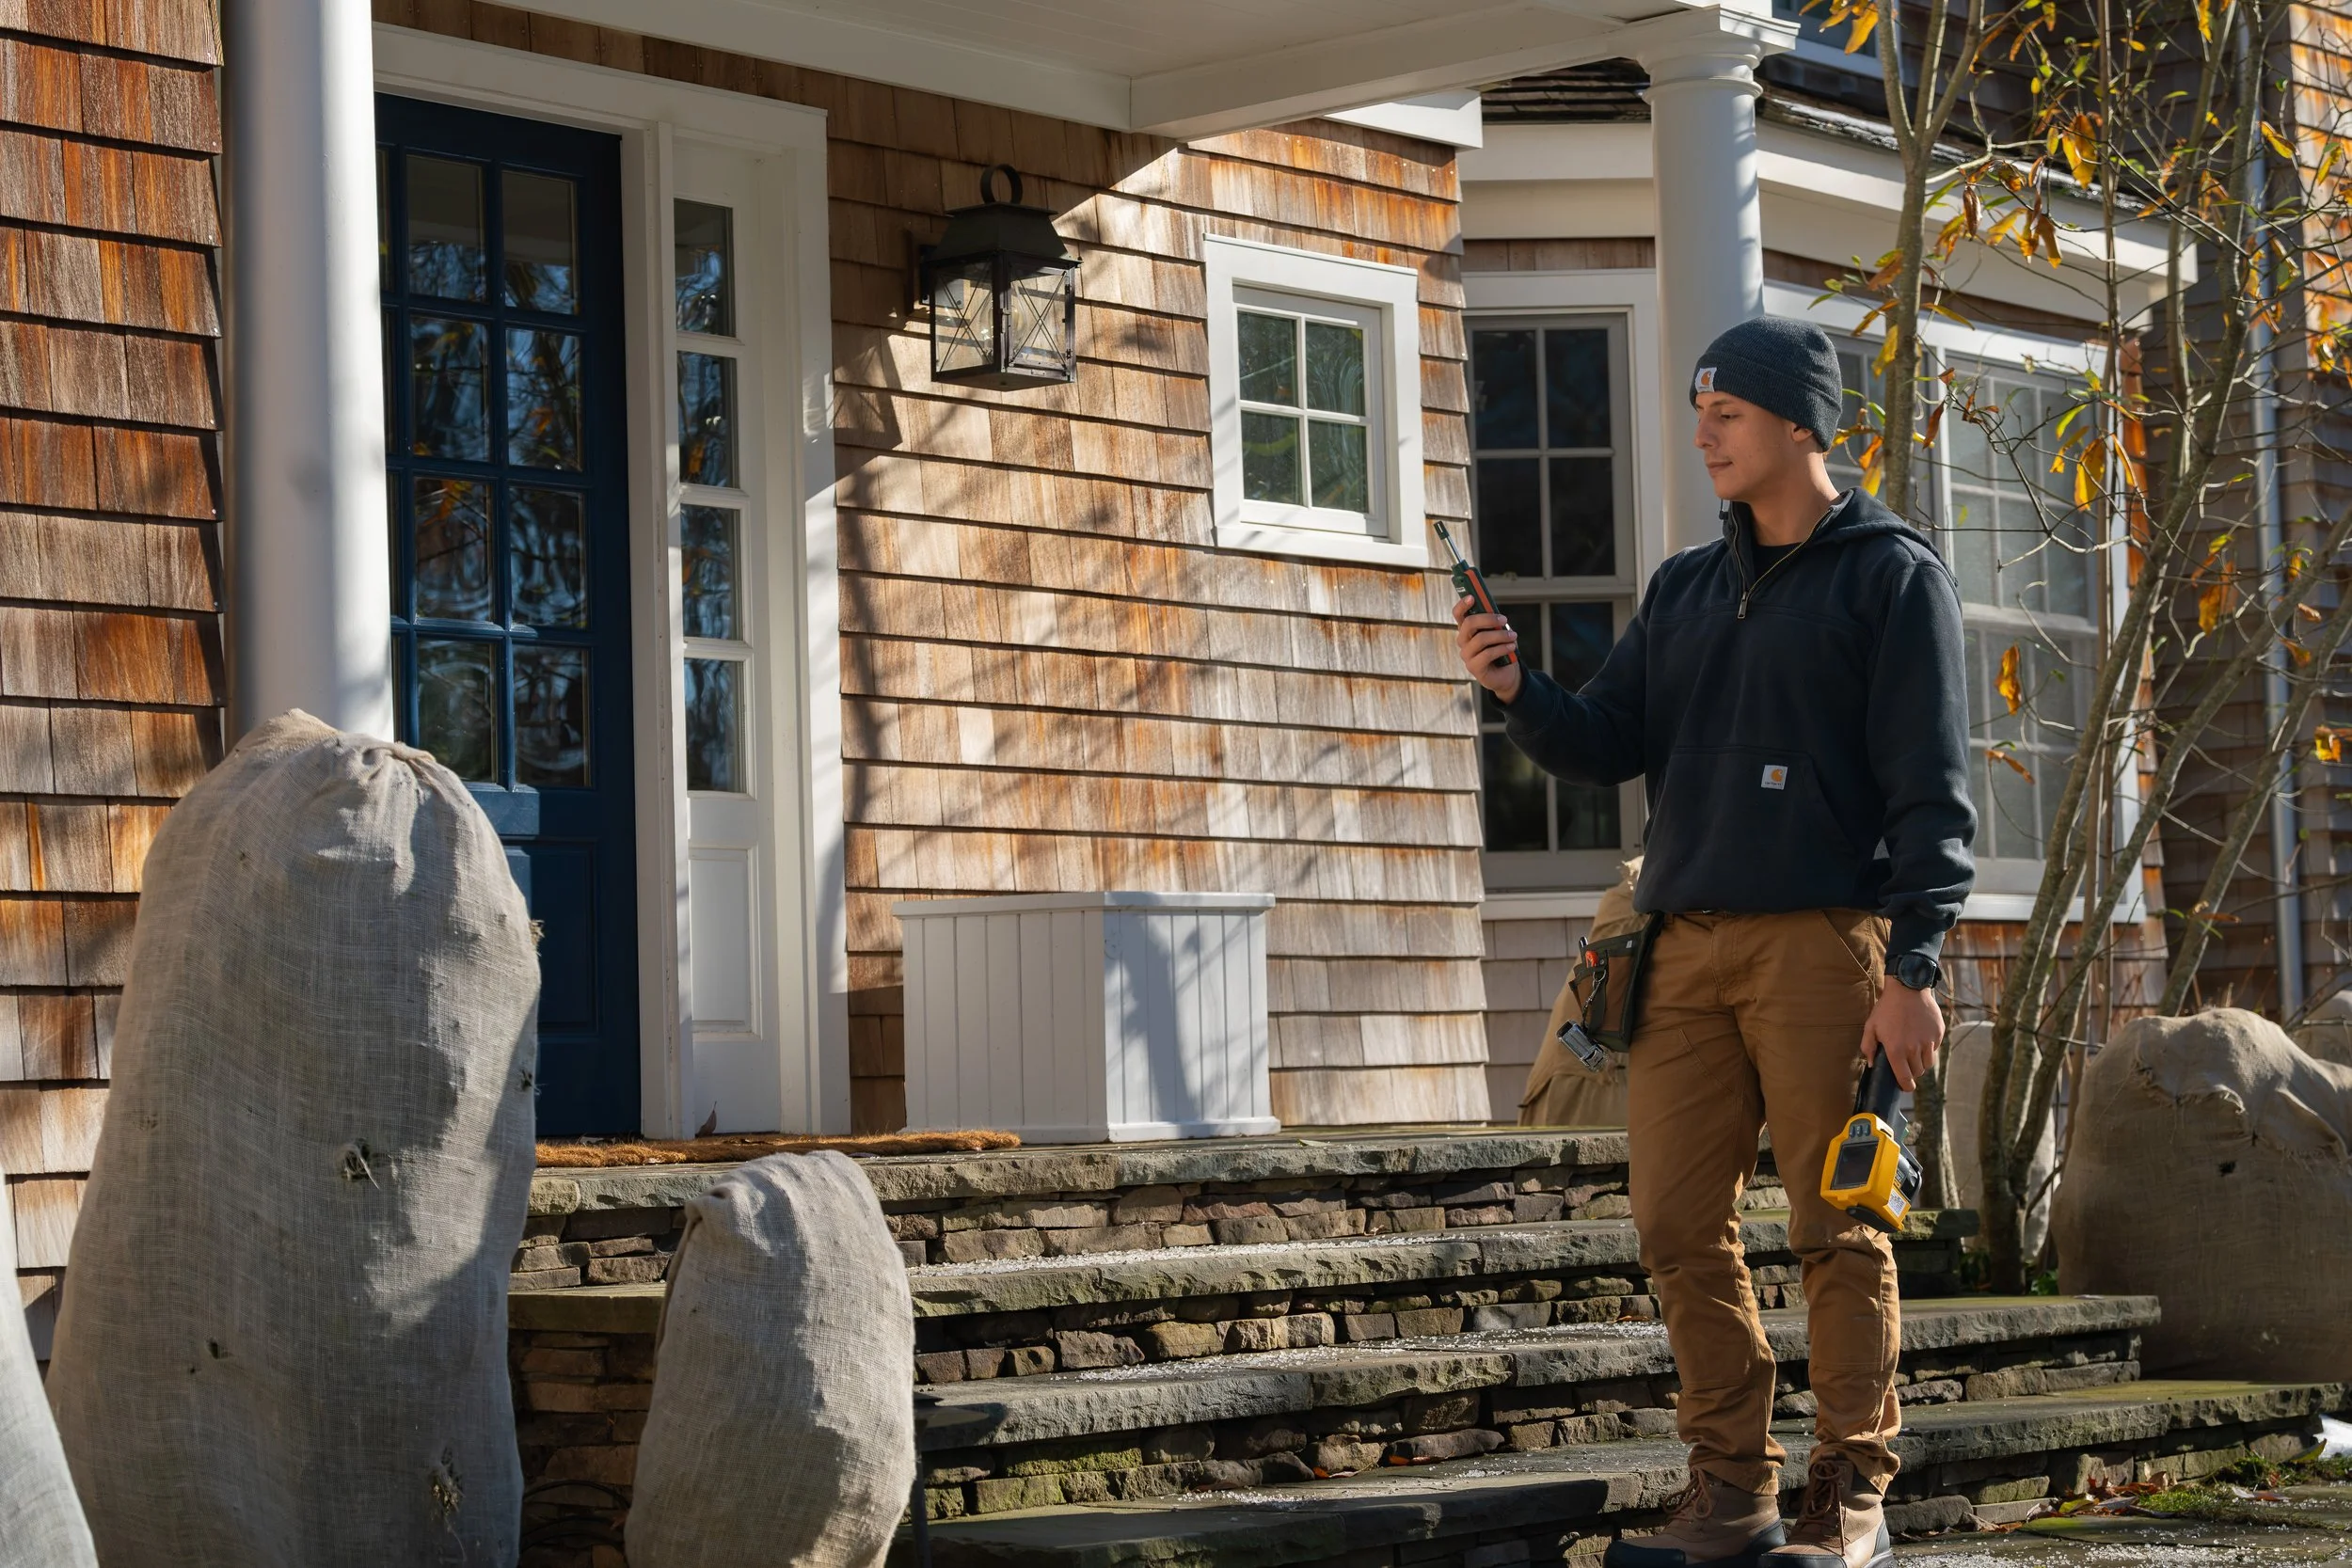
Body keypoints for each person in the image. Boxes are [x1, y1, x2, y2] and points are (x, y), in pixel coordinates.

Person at [1454, 317, 1976, 1568]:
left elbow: (1932, 793)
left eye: (1723, 413)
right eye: (1696, 413)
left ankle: (1850, 1491)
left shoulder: (1891, 577)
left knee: (1838, 1224)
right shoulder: (1689, 586)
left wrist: (1913, 969)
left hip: (1823, 947)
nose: (1701, 436)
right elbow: (1606, 739)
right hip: (1680, 949)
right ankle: (1730, 1488)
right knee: (1676, 1224)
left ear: (1799, 418)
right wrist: (1518, 691)